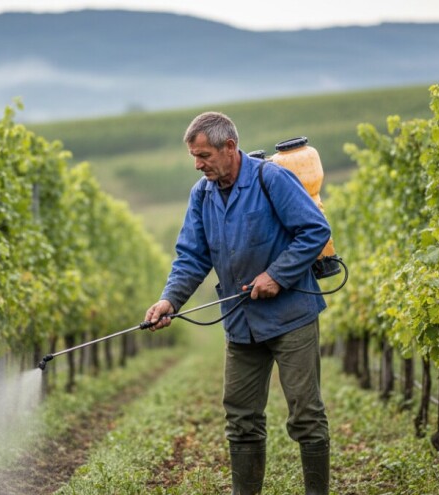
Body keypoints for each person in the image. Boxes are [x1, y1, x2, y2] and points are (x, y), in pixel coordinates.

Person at [144, 112, 332, 495]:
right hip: (241, 323)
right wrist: (170, 300)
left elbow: (315, 230)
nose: (198, 164)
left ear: (229, 147)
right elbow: (191, 257)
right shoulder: (202, 194)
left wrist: (276, 275)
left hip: (292, 317)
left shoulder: (271, 179)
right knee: (241, 419)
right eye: (194, 157)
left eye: (204, 155)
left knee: (306, 415)